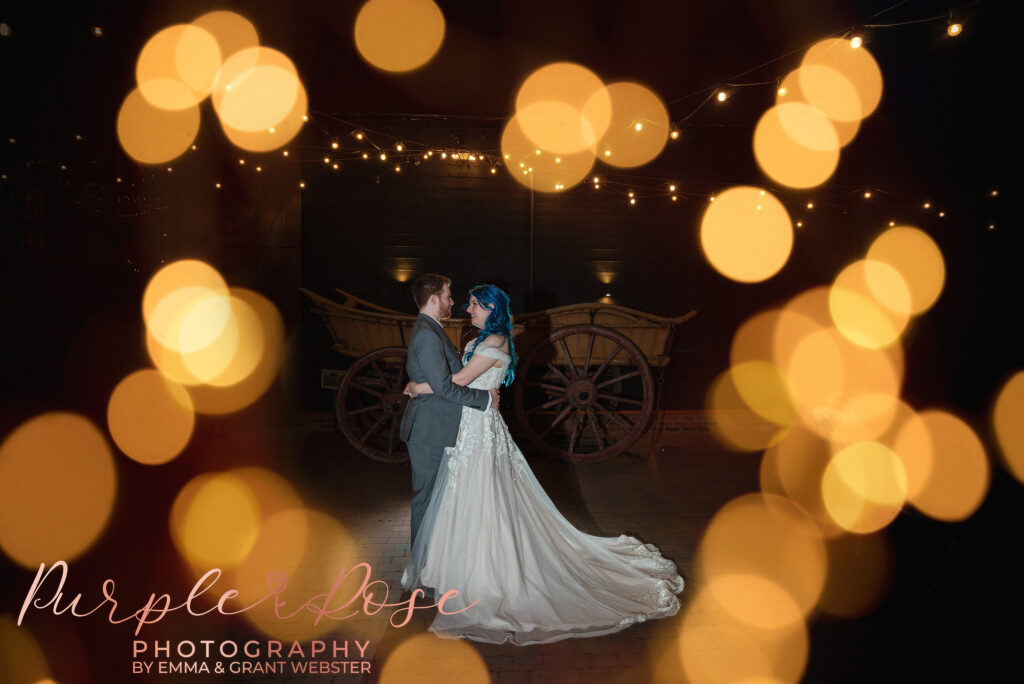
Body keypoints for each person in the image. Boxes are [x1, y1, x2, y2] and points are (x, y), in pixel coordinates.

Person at [400, 284, 683, 645]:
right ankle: (455, 568)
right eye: (465, 301)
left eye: (473, 303)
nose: (466, 308)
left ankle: (487, 574)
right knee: (466, 500)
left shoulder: (496, 341)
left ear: (489, 307)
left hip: (480, 429)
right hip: (468, 428)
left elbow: (457, 381)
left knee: (485, 498)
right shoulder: (481, 339)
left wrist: (415, 387)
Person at [398, 274, 500, 552]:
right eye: (447, 296)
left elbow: (443, 381)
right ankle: (421, 571)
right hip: (430, 429)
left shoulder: (429, 330)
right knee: (427, 499)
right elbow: (444, 387)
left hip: (436, 425)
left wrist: (418, 386)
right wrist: (484, 399)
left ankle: (430, 565)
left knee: (433, 498)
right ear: (433, 299)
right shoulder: (428, 335)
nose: (451, 302)